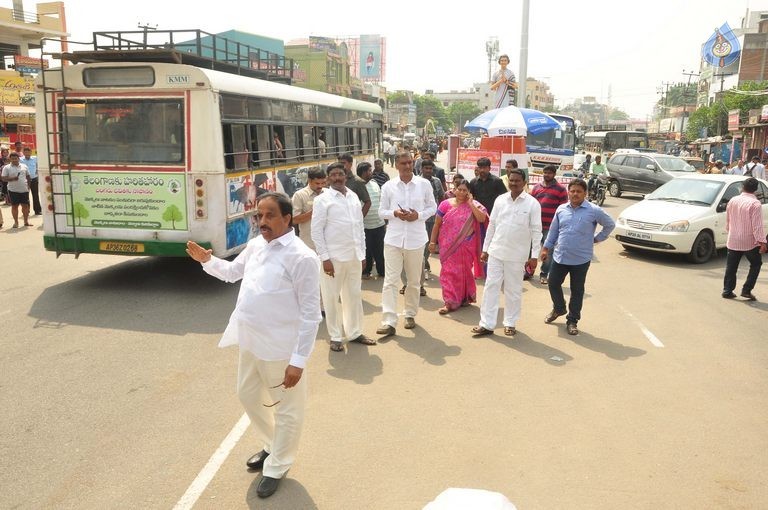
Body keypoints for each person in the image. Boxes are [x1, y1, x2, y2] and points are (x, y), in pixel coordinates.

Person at [185, 192, 321, 499]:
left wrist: (298, 361)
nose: (262, 222)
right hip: (250, 341)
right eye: (258, 216)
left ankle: (277, 465)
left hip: (280, 348)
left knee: (288, 410)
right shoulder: (257, 245)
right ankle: (272, 445)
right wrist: (207, 261)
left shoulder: (302, 257)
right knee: (247, 395)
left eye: (269, 215)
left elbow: (311, 315)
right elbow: (233, 273)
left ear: (287, 218)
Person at [471, 169, 542, 337]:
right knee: (491, 287)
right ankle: (487, 324)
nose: (514, 183)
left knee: (513, 290)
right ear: (507, 181)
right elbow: (492, 226)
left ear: (524, 183)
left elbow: (536, 231)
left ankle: (510, 322)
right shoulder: (500, 200)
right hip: (496, 252)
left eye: (517, 181)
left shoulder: (532, 204)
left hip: (517, 256)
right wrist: (485, 249)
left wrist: (534, 256)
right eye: (511, 180)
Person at [541, 179, 615, 335]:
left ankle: (572, 320)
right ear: (568, 192)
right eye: (572, 191)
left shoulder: (594, 210)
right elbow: (554, 231)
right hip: (560, 256)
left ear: (585, 193)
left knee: (577, 291)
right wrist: (546, 248)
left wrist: (597, 238)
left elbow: (610, 225)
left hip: (581, 259)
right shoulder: (561, 209)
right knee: (553, 283)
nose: (575, 194)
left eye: (579, 191)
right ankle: (559, 308)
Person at [311, 162, 373, 351]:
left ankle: (354, 332)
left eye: (340, 174)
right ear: (328, 178)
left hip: (354, 257)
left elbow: (359, 228)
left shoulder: (353, 196)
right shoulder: (323, 200)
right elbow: (316, 231)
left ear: (346, 175)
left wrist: (362, 255)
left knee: (353, 296)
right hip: (334, 259)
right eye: (333, 175)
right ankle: (336, 336)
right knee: (331, 298)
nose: (337, 177)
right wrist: (325, 258)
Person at [376, 151, 437, 336]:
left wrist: (417, 215)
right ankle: (389, 321)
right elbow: (381, 211)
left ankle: (410, 314)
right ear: (396, 165)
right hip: (393, 239)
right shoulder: (388, 186)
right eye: (403, 163)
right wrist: (395, 213)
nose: (407, 166)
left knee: (413, 281)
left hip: (416, 239)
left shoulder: (424, 184)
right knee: (390, 281)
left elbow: (432, 207)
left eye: (410, 162)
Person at [429, 177, 488, 314]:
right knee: (448, 272)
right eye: (459, 189)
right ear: (454, 190)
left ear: (469, 192)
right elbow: (437, 224)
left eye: (464, 190)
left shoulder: (475, 204)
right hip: (447, 246)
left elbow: (481, 218)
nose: (461, 192)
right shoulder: (445, 204)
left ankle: (465, 297)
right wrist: (432, 242)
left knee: (465, 272)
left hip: (467, 244)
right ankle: (450, 302)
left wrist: (471, 203)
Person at [722, 177, 767, 301]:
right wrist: (762, 242)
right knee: (756, 264)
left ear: (742, 187)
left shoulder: (733, 200)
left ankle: (727, 290)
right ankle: (746, 290)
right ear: (756, 189)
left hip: (733, 238)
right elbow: (757, 226)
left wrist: (729, 231)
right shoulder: (755, 204)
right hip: (749, 242)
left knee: (731, 266)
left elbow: (728, 219)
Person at [530, 165, 568, 284]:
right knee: (531, 249)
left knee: (548, 251)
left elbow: (563, 209)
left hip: (551, 227)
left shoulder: (561, 189)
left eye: (549, 173)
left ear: (554, 174)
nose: (547, 175)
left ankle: (544, 274)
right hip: (535, 226)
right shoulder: (536, 188)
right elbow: (530, 204)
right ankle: (528, 271)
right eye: (545, 172)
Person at [358, 162, 386, 280]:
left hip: (379, 224)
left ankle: (382, 271)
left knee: (379, 250)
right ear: (363, 173)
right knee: (367, 250)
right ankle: (366, 271)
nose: (371, 173)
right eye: (369, 171)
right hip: (365, 225)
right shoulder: (358, 186)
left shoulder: (374, 184)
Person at [291, 167, 326, 251]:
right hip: (309, 245)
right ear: (309, 181)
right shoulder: (299, 195)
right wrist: (315, 211)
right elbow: (294, 220)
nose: (320, 186)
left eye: (323, 183)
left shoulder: (328, 193)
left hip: (327, 243)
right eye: (317, 183)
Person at [1, 151, 31, 228]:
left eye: (16, 158)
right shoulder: (6, 167)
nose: (14, 160)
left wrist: (28, 186)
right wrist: (12, 178)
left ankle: (26, 221)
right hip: (12, 190)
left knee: (25, 206)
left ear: (19, 158)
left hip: (24, 190)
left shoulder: (24, 166)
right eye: (12, 159)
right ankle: (16, 222)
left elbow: (28, 177)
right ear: (10, 159)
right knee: (15, 206)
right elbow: (3, 178)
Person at [20, 147, 40, 216]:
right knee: (25, 196)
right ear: (23, 152)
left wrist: (37, 170)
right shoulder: (20, 159)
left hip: (34, 179)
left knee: (35, 195)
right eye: (25, 152)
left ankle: (37, 210)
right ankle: (26, 211)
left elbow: (38, 165)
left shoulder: (35, 158)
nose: (27, 153)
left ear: (31, 152)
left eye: (28, 152)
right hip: (24, 180)